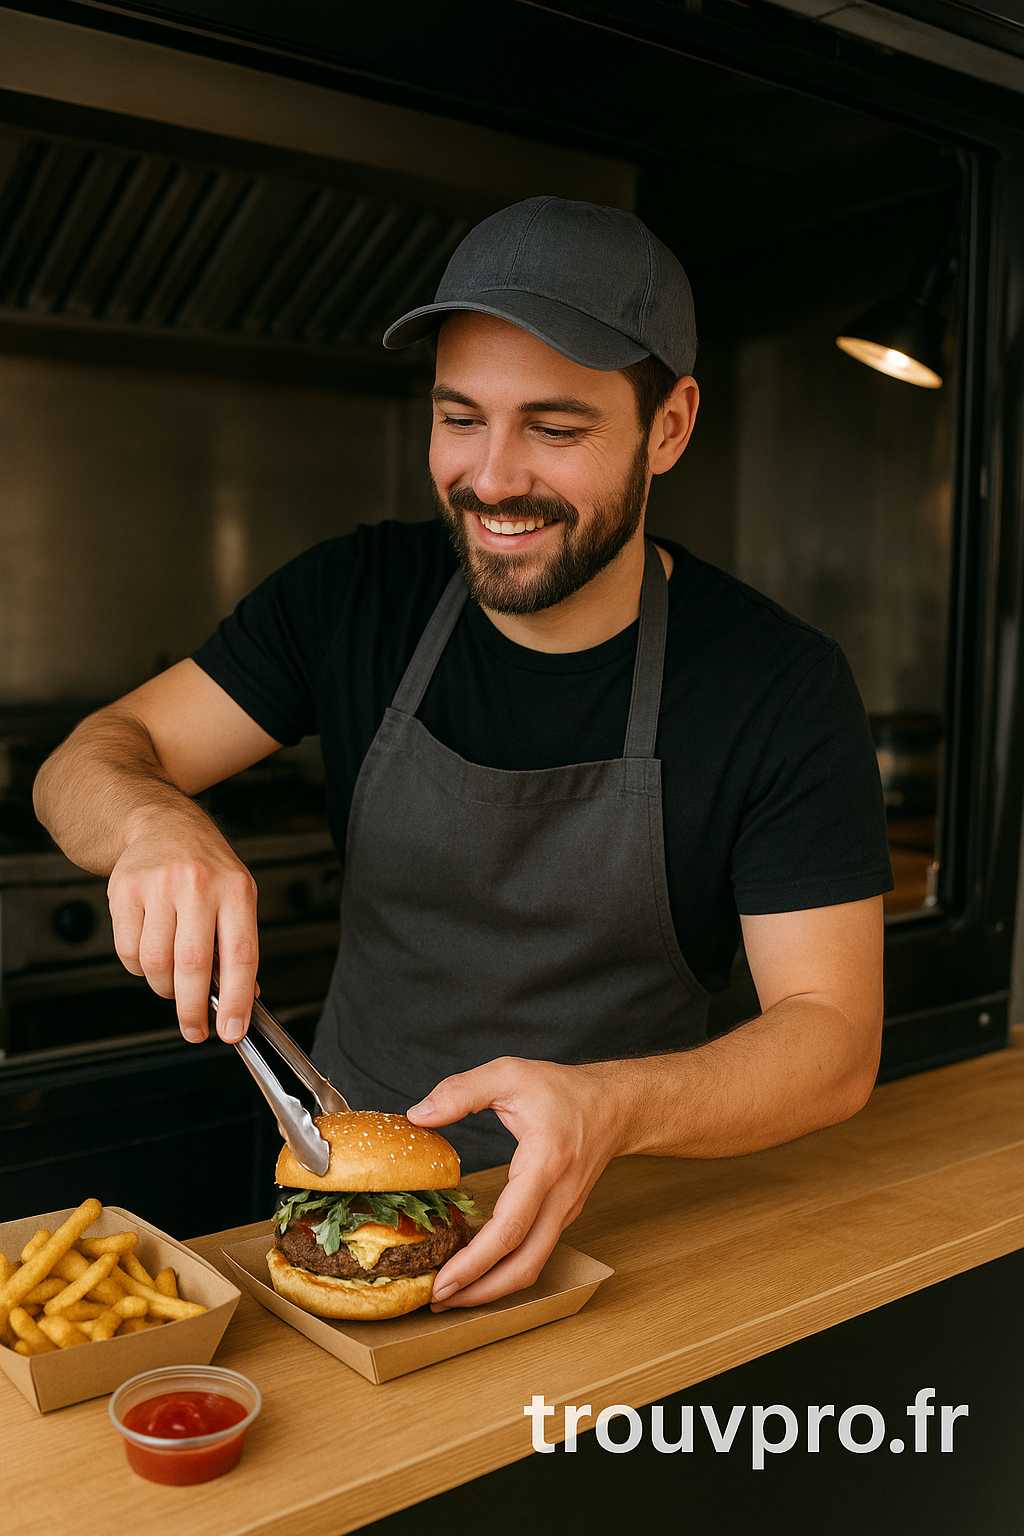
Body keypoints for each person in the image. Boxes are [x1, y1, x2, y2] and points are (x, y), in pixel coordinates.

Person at [34, 196, 891, 1311]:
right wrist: (153, 820)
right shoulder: (355, 596)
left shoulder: (774, 684)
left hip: (625, 1233)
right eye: (459, 418)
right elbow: (87, 759)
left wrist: (612, 1107)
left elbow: (831, 1041)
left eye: (554, 426)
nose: (491, 479)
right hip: (345, 1215)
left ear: (669, 426)